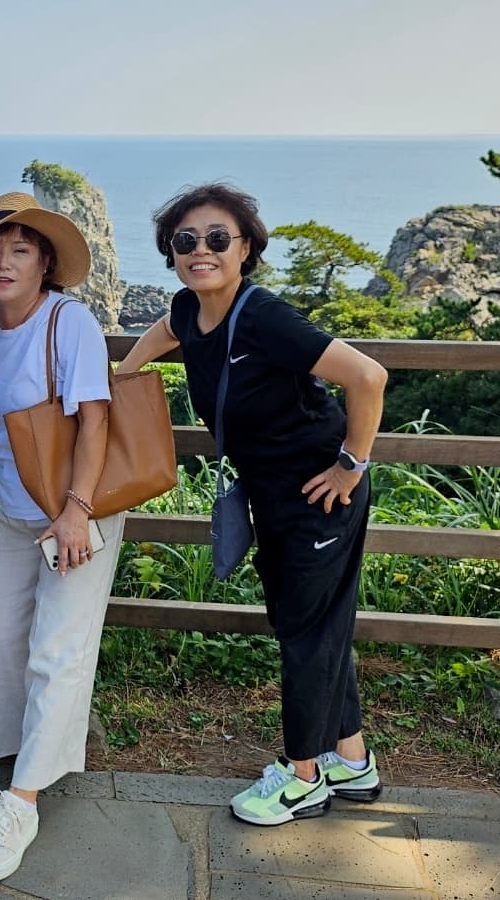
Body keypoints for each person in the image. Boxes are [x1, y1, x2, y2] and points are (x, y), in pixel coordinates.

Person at [118, 183, 388, 827]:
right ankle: (353, 760)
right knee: (313, 622)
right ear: (172, 253)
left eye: (218, 239)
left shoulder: (262, 315)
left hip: (319, 492)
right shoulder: (190, 310)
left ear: (246, 249)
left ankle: (303, 777)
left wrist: (351, 463)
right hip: (271, 493)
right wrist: (120, 378)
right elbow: (162, 332)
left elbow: (368, 376)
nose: (200, 251)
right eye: (186, 241)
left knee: (304, 629)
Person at [0, 193, 127, 881]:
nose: (3, 261)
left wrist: (76, 509)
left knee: (57, 647)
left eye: (20, 249)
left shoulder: (66, 321)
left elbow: (96, 421)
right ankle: (25, 752)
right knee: (5, 635)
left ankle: (21, 799)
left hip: (77, 506)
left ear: (46, 261)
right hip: (13, 508)